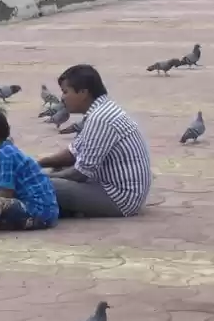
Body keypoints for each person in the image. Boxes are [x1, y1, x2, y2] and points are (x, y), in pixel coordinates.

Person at [38, 64, 152, 218]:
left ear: (84, 92)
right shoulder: (100, 111)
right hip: (109, 187)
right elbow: (73, 152)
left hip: (120, 198)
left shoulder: (100, 119)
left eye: (66, 92)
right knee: (55, 170)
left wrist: (37, 177)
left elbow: (80, 173)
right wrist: (37, 163)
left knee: (40, 184)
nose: (62, 98)